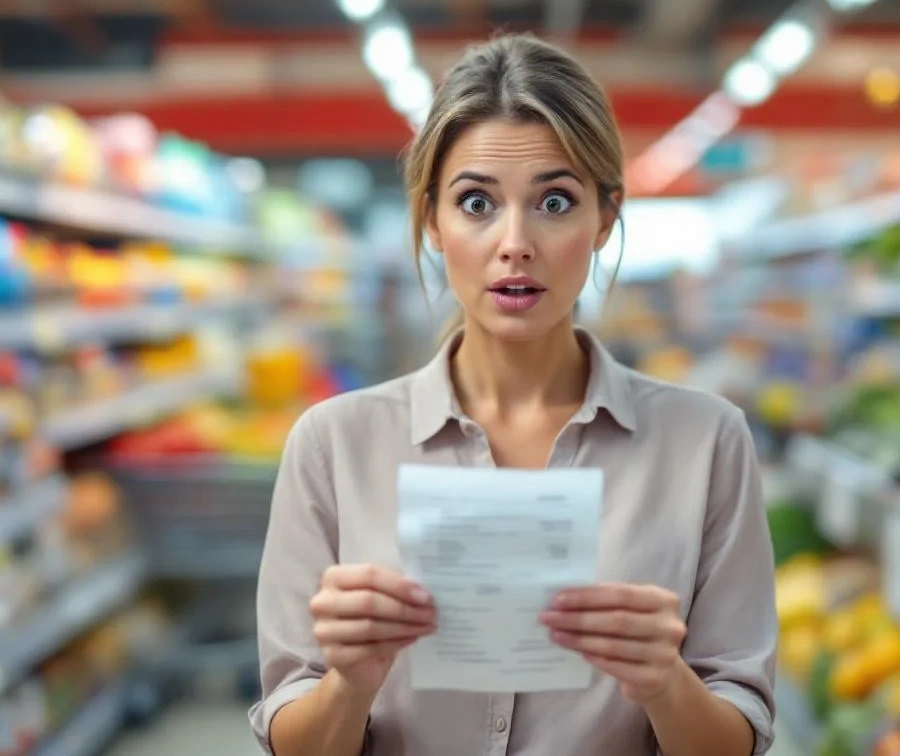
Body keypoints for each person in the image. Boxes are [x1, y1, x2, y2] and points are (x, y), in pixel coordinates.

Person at [251, 33, 777, 756]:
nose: (515, 242)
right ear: (431, 219)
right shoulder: (334, 444)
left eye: (555, 201)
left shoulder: (707, 443)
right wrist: (350, 681)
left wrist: (665, 683)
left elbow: (739, 739)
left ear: (605, 219)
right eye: (476, 202)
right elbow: (292, 741)